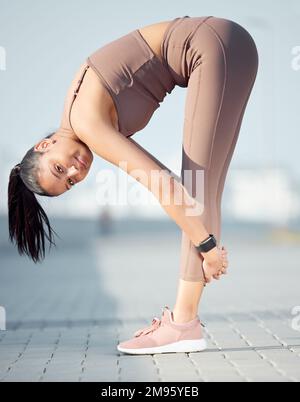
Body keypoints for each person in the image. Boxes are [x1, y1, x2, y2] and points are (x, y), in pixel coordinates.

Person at [7, 15, 258, 354]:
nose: (74, 172)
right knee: (202, 189)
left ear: (44, 145)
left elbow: (162, 184)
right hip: (225, 44)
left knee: (194, 190)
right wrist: (207, 244)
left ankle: (183, 325)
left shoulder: (85, 122)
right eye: (69, 183)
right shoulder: (78, 117)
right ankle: (185, 323)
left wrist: (209, 249)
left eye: (58, 167)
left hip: (211, 48)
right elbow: (166, 182)